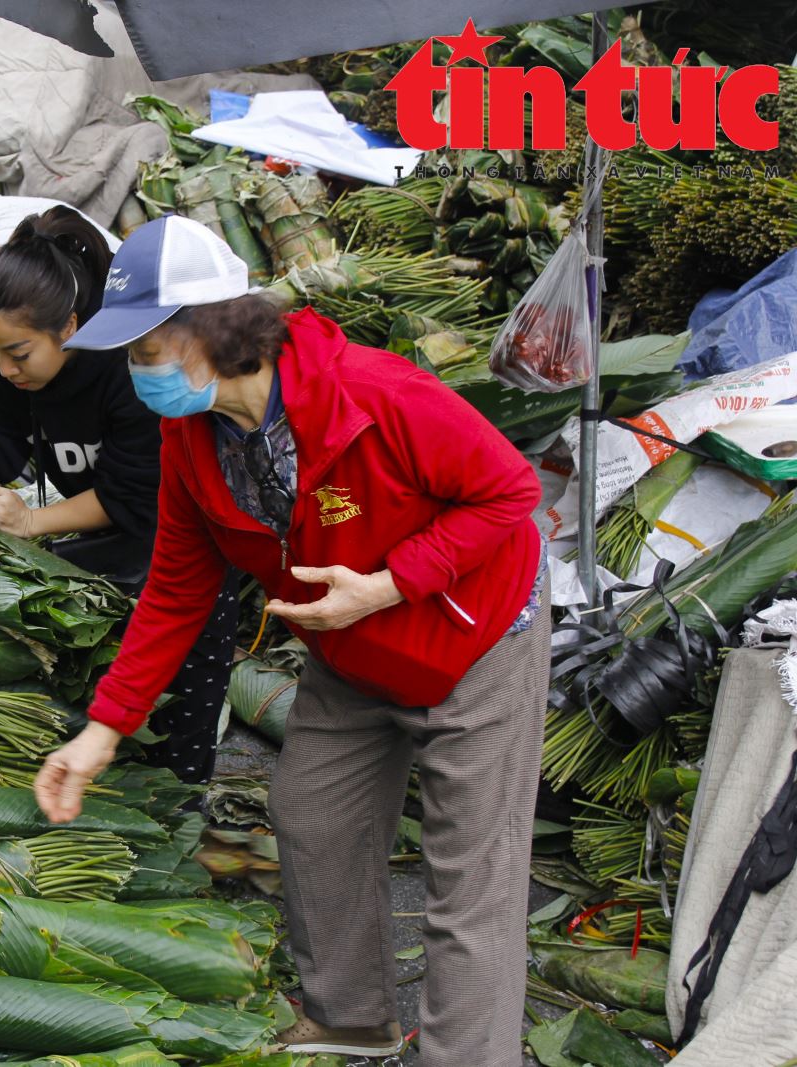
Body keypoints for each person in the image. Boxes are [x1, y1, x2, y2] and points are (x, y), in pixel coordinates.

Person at [33, 216, 551, 1066]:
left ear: (217, 330)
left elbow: (508, 493)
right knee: (311, 816)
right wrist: (100, 732)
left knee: (470, 879)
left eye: (148, 348)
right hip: (348, 646)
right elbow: (174, 590)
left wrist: (389, 584)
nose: (136, 371)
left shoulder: (374, 392)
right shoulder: (190, 438)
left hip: (473, 640)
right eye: (127, 353)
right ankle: (352, 1015)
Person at [0, 206, 238, 784]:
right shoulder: (0, 360)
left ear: (70, 327)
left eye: (18, 354)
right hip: (103, 539)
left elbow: (139, 493)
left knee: (176, 718)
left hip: (179, 546)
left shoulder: (130, 366)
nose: (3, 368)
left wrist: (32, 523)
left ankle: (181, 813)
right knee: (93, 684)